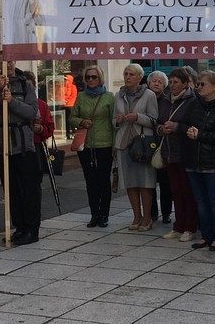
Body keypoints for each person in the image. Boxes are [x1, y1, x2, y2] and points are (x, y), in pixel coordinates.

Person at [0, 53, 41, 245]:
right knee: (11, 190)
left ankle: (31, 229)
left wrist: (11, 101)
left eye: (10, 60)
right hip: (3, 146)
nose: (8, 64)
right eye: (3, 61)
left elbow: (31, 111)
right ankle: (19, 227)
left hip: (23, 145)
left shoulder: (25, 85)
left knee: (28, 189)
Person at [181, 71, 215, 251]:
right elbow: (182, 123)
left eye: (203, 84)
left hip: (214, 163)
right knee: (201, 202)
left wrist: (200, 135)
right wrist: (188, 130)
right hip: (193, 161)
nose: (199, 87)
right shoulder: (194, 104)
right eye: (198, 84)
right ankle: (206, 235)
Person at [114, 64, 158, 231]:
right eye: (125, 74)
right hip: (124, 142)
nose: (127, 77)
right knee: (130, 182)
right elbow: (113, 121)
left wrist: (137, 117)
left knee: (145, 181)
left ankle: (147, 217)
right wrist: (118, 120)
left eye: (131, 74)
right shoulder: (118, 95)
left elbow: (154, 120)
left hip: (142, 144)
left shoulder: (149, 95)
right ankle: (136, 216)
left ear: (140, 77)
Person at [71, 65, 115, 228]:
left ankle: (104, 214)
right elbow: (72, 117)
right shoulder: (81, 97)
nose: (90, 80)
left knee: (104, 180)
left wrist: (115, 146)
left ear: (100, 78)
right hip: (86, 145)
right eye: (88, 77)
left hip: (105, 144)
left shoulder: (109, 97)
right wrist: (82, 122)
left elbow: (114, 123)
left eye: (94, 77)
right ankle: (94, 214)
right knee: (90, 181)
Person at [158, 69, 198, 242]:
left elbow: (194, 125)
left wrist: (176, 127)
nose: (173, 85)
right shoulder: (166, 100)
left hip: (185, 152)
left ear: (185, 83)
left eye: (176, 82)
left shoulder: (192, 101)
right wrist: (161, 129)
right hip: (168, 152)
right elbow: (158, 121)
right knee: (175, 190)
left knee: (187, 191)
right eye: (171, 82)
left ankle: (190, 227)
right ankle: (178, 225)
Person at [147, 70, 172, 224]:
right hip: (146, 144)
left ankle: (167, 213)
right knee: (149, 182)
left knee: (165, 182)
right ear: (148, 83)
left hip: (163, 144)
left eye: (160, 82)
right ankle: (152, 213)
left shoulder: (168, 101)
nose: (156, 83)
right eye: (153, 81)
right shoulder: (144, 99)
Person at [62, 72, 78, 138]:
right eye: (65, 79)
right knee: (65, 120)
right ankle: (67, 133)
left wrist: (65, 100)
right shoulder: (62, 87)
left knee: (71, 120)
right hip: (63, 105)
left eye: (66, 79)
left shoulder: (73, 87)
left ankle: (73, 132)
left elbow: (73, 96)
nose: (65, 80)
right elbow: (59, 94)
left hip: (70, 105)